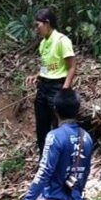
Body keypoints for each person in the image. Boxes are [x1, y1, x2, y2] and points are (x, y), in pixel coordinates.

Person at [25, 8, 77, 154]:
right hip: (43, 87)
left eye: (38, 25)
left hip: (57, 87)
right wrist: (37, 76)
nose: (37, 29)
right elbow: (47, 67)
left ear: (47, 23)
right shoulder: (43, 43)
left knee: (58, 127)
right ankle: (44, 159)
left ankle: (60, 160)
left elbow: (72, 67)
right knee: (42, 128)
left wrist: (64, 91)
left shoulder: (62, 41)